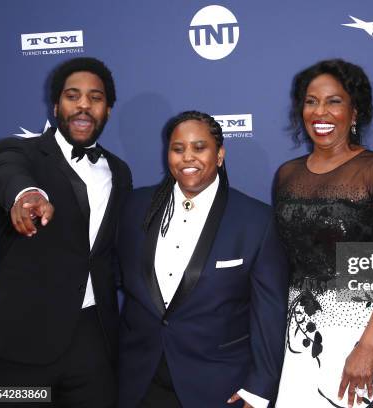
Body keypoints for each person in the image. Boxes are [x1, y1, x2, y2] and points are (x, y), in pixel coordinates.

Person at [274, 59, 373, 408]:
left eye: (334, 101)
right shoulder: (286, 176)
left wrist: (368, 346)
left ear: (354, 110)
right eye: (311, 101)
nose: (320, 112)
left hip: (372, 330)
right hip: (306, 329)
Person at [116, 111, 288, 408]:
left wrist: (260, 387)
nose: (187, 158)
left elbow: (269, 313)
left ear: (219, 155)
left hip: (218, 384)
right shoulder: (135, 206)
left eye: (199, 147)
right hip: (140, 379)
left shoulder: (255, 220)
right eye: (178, 149)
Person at [0, 57, 132, 406]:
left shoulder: (120, 172)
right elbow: (8, 174)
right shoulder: (18, 151)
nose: (84, 104)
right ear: (56, 106)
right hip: (20, 343)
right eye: (72, 95)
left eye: (95, 97)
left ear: (108, 110)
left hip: (94, 342)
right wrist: (26, 195)